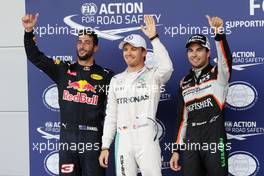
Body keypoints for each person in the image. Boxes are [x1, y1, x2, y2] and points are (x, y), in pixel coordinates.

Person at [22, 13, 113, 175]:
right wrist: (29, 32)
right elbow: (35, 56)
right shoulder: (63, 70)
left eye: (87, 42)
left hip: (93, 138)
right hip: (67, 138)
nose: (82, 46)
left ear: (95, 47)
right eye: (79, 42)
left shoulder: (107, 75)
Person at [98, 15, 173, 176]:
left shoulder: (154, 76)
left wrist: (154, 38)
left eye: (133, 48)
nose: (128, 53)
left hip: (146, 136)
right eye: (125, 49)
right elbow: (111, 116)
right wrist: (105, 146)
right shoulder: (116, 80)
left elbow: (167, 68)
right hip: (123, 138)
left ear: (144, 52)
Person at [169, 15, 232, 176]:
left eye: (199, 50)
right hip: (192, 140)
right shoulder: (184, 82)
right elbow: (182, 119)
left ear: (208, 52)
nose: (194, 54)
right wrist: (176, 150)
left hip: (214, 138)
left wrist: (219, 34)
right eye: (190, 50)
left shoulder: (218, 74)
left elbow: (225, 60)